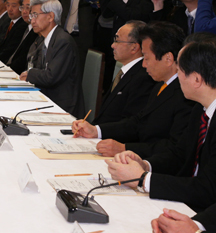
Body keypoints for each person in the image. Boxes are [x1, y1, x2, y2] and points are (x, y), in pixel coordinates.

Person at [106, 37, 216, 212]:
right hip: (184, 200)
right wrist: (145, 165)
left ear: (196, 80)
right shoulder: (200, 110)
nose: (176, 76)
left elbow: (208, 189)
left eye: (179, 70)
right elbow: (179, 154)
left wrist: (143, 179)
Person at [72, 21, 194, 158]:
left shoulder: (186, 95)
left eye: (146, 58)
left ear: (168, 59)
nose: (143, 64)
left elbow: (173, 148)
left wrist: (124, 148)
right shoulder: (161, 85)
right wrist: (96, 130)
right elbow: (137, 122)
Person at [20, 0, 84, 117]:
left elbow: (51, 77)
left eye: (35, 15)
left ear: (50, 17)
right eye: (31, 16)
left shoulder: (63, 41)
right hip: (45, 97)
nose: (32, 20)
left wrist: (30, 74)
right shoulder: (41, 40)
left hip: (62, 106)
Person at [92, 21, 156, 125]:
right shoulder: (124, 72)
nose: (113, 45)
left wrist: (97, 131)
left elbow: (130, 123)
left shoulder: (143, 77)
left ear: (134, 47)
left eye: (117, 41)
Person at [0, 0, 27, 64]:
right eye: (8, 5)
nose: (10, 9)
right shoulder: (8, 22)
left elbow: (10, 50)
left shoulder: (22, 25)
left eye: (13, 6)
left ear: (21, 7)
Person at [7, 0, 39, 74]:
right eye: (22, 8)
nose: (24, 11)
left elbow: (24, 59)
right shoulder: (26, 27)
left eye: (28, 8)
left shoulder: (37, 32)